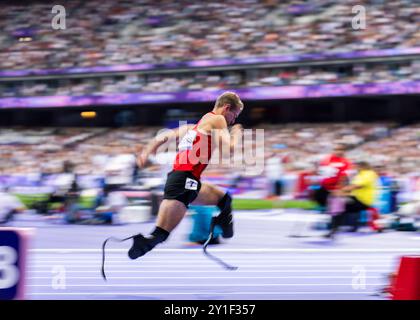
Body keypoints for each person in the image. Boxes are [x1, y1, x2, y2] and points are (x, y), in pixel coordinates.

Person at [127, 92, 244, 260]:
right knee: (160, 234)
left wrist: (146, 152)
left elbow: (163, 136)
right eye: (234, 115)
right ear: (226, 108)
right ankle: (144, 242)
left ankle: (219, 225)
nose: (232, 120)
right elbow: (229, 150)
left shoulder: (194, 128)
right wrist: (237, 133)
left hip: (179, 179)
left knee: (224, 199)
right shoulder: (218, 119)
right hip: (185, 180)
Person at [326, 161, 379, 238]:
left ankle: (334, 230)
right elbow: (353, 188)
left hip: (362, 200)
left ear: (362, 166)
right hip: (358, 198)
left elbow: (357, 186)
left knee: (338, 205)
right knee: (338, 206)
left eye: (356, 166)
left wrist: (341, 191)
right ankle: (334, 229)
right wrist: (342, 193)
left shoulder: (368, 174)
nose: (355, 168)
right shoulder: (361, 174)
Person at [313, 144, 352, 210]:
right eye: (336, 150)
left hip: (337, 189)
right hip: (325, 187)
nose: (338, 152)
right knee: (318, 197)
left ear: (344, 151)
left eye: (341, 150)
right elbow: (321, 172)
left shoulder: (346, 162)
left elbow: (345, 177)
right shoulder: (327, 160)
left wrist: (340, 189)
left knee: (336, 208)